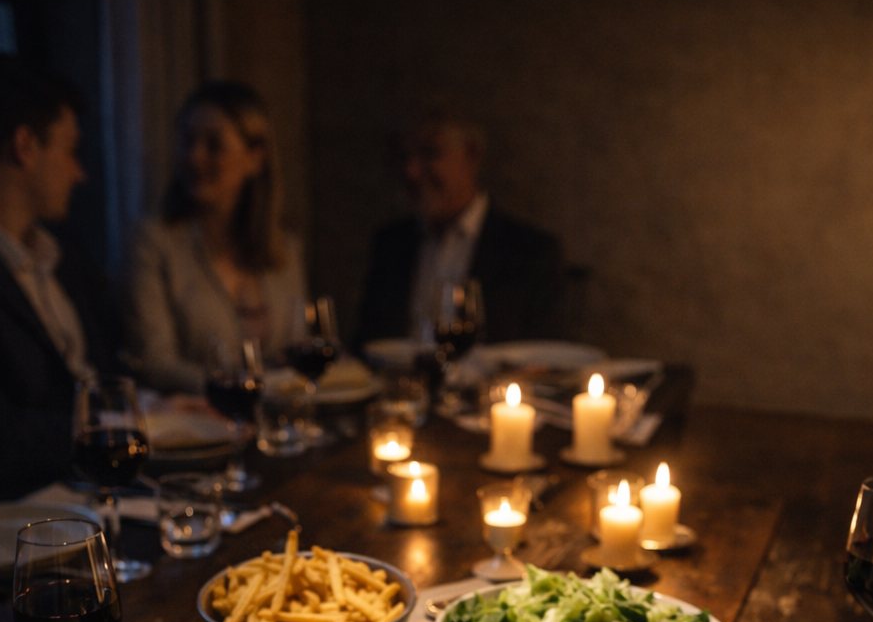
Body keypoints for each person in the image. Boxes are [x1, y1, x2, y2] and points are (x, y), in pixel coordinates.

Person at [0, 52, 119, 509]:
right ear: (25, 146)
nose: (80, 173)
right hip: (15, 531)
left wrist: (158, 409)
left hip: (101, 494)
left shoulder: (60, 248)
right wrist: (122, 423)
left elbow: (106, 370)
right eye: (70, 150)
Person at [126, 82, 306, 394]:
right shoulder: (154, 244)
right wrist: (238, 388)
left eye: (213, 145)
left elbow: (298, 347)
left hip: (279, 422)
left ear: (255, 159)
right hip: (199, 427)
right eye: (187, 141)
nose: (193, 156)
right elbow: (155, 361)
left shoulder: (284, 248)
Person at [354, 111, 565, 351]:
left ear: (471, 154)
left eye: (428, 154)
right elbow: (366, 344)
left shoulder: (531, 251)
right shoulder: (390, 243)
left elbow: (544, 356)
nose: (411, 171)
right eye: (404, 157)